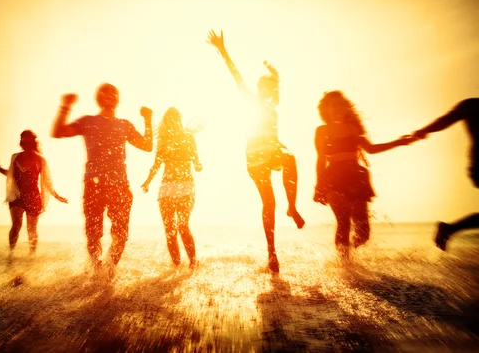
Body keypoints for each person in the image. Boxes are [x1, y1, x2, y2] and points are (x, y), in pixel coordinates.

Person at [207, 29, 304, 273]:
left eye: (270, 89)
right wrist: (223, 50)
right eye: (263, 89)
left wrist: (275, 76)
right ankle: (272, 253)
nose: (267, 92)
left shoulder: (273, 104)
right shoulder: (253, 100)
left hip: (273, 149)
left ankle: (292, 207)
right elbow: (237, 76)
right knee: (268, 202)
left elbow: (275, 88)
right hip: (254, 156)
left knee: (290, 157)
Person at [50, 83, 153, 271]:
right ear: (98, 98)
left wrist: (148, 120)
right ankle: (97, 271)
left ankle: (109, 270)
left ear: (118, 99)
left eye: (114, 93)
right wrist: (65, 107)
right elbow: (58, 132)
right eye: (105, 93)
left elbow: (147, 146)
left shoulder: (124, 124)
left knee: (121, 234)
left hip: (120, 185)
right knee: (93, 234)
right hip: (94, 184)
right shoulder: (88, 121)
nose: (110, 96)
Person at [314, 91, 415, 259]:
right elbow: (320, 159)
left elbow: (372, 149)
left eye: (341, 104)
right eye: (334, 105)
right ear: (326, 110)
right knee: (343, 222)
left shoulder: (353, 129)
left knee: (364, 233)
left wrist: (399, 142)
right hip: (333, 178)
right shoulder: (322, 131)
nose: (338, 108)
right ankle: (344, 264)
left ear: (346, 107)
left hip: (356, 177)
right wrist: (319, 185)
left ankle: (349, 251)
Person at [412, 98, 479, 251]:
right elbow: (445, 120)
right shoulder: (471, 105)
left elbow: (446, 120)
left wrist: (424, 131)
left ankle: (450, 229)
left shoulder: (470, 105)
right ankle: (450, 228)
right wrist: (424, 130)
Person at [141, 107, 203, 268]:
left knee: (183, 225)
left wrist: (196, 162)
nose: (174, 121)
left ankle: (193, 263)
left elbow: (197, 163)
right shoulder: (164, 141)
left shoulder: (189, 138)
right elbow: (156, 164)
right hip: (167, 187)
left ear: (180, 120)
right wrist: (147, 181)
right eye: (171, 118)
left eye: (176, 118)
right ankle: (176, 267)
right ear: (167, 122)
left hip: (185, 186)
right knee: (170, 229)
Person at [0, 130, 68, 255]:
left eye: (28, 140)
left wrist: (57, 196)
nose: (25, 142)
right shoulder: (15, 157)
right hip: (17, 196)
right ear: (21, 142)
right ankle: (10, 255)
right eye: (23, 140)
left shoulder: (40, 160)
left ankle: (31, 257)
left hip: (33, 197)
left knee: (31, 230)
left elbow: (46, 182)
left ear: (33, 142)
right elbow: (11, 175)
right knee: (16, 225)